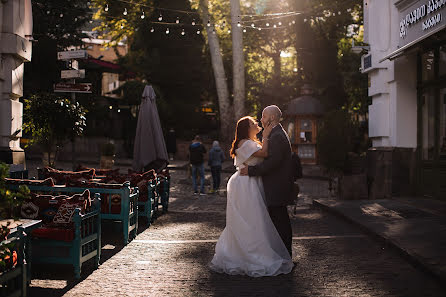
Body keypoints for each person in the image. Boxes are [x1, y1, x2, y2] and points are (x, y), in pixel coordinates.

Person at [210, 115, 293, 277]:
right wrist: (267, 135)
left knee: (254, 218)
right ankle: (247, 254)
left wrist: (266, 136)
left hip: (251, 181)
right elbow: (264, 153)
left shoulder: (250, 142)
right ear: (247, 128)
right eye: (253, 123)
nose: (257, 123)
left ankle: (258, 250)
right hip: (245, 183)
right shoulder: (245, 143)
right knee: (250, 218)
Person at [240, 105, 295, 257]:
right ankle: (283, 254)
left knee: (280, 222)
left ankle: (285, 255)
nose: (261, 120)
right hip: (276, 185)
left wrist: (250, 171)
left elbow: (272, 163)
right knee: (279, 220)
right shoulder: (276, 133)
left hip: (277, 186)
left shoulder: (276, 136)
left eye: (263, 117)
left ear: (271, 118)